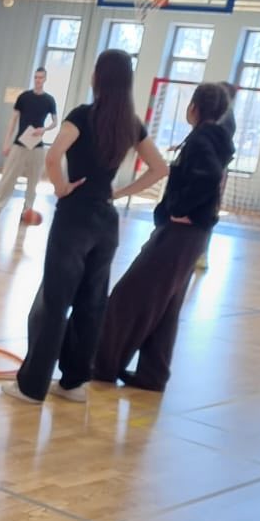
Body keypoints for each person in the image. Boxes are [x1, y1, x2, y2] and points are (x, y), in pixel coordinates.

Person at [2, 48, 167, 406]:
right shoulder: (130, 123)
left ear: (98, 77)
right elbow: (160, 168)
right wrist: (118, 192)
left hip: (74, 216)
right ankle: (74, 383)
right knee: (92, 303)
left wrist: (61, 187)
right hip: (106, 221)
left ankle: (32, 387)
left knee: (55, 301)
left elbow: (52, 155)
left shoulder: (81, 115)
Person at [94, 83, 233, 393]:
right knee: (167, 305)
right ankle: (152, 374)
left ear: (194, 108)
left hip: (182, 233)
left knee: (128, 295)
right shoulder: (216, 138)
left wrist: (181, 210)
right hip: (192, 235)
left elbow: (210, 176)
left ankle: (103, 365)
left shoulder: (202, 139)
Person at [0, 66, 57, 219]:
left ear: (45, 79)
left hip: (37, 146)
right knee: (8, 177)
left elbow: (55, 122)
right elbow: (13, 120)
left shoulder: (49, 100)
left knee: (33, 181)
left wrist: (44, 129)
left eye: (41, 78)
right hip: (19, 144)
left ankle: (27, 210)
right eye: (36, 77)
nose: (38, 80)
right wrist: (7, 142)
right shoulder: (24, 97)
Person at [195, 80, 236, 272]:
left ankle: (201, 253)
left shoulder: (223, 122)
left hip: (213, 173)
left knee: (206, 211)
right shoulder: (218, 122)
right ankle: (199, 253)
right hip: (214, 171)